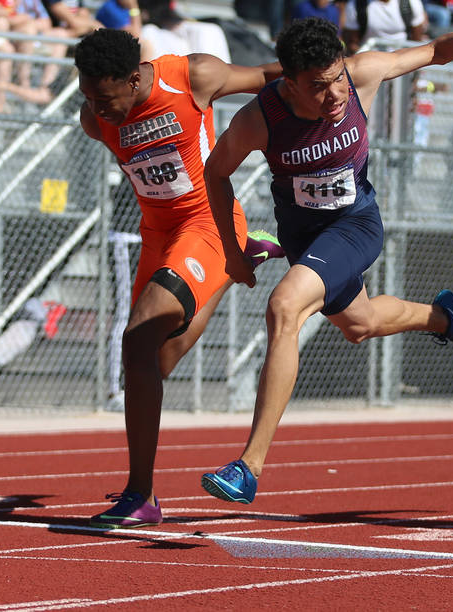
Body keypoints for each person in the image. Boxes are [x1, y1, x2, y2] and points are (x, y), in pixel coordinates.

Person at [198, 15, 453, 504]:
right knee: (359, 324)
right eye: (318, 88)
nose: (335, 95)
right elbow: (215, 175)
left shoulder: (361, 74)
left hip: (356, 225)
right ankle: (440, 319)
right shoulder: (259, 120)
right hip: (304, 236)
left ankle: (248, 467)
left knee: (285, 307)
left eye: (337, 79)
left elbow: (435, 51)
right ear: (289, 82)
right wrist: (233, 251)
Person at [74, 28, 285, 529]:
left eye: (106, 98)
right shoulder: (94, 120)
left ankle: (138, 494)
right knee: (151, 364)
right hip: (158, 236)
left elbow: (267, 77)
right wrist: (100, 109)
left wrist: (323, 77)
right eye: (87, 96)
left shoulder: (191, 76)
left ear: (133, 77)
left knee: (136, 337)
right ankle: (240, 265)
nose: (98, 109)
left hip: (207, 222)